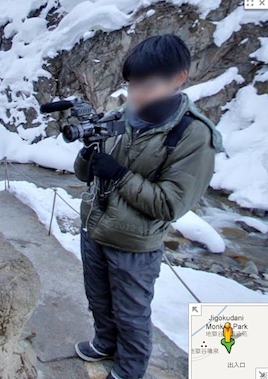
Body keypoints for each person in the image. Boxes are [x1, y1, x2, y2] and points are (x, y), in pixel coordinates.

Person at [73, 35, 222, 379]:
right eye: (131, 84)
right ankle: (105, 343)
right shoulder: (123, 115)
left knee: (131, 313)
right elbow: (85, 174)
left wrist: (120, 175)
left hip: (135, 245)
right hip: (95, 229)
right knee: (98, 298)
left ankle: (130, 369)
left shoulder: (194, 135)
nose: (136, 94)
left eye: (148, 85)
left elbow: (171, 204)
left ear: (179, 78)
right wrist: (88, 151)